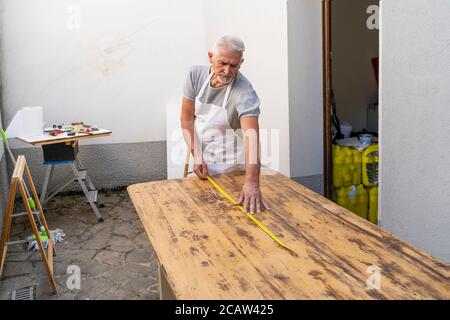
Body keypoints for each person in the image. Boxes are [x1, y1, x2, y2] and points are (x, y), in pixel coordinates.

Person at [180, 35, 269, 214]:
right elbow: (187, 118)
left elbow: (251, 138)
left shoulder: (244, 93)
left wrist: (251, 183)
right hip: (204, 167)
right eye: (222, 63)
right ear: (210, 56)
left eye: (234, 66)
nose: (227, 71)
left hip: (234, 171)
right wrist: (196, 153)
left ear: (241, 62)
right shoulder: (195, 75)